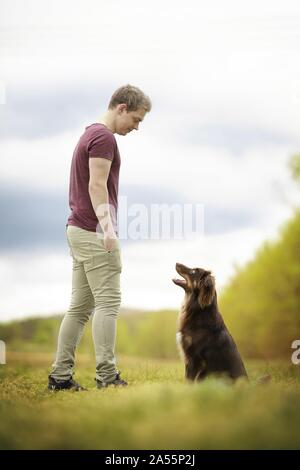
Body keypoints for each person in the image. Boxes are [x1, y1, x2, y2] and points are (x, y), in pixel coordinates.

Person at [48, 84, 152, 391]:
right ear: (121, 108)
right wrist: (108, 230)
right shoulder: (104, 137)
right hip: (93, 232)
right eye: (136, 119)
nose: (136, 127)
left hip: (77, 229)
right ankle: (107, 378)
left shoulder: (90, 133)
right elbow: (97, 186)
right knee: (108, 304)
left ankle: (60, 377)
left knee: (79, 309)